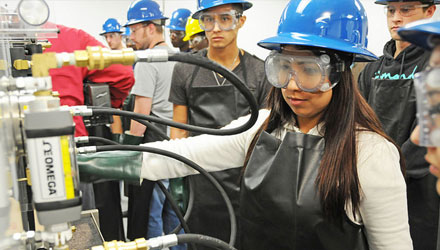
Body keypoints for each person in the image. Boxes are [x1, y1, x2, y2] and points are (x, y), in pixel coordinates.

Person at [168, 0, 271, 245]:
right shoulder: (185, 70)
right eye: (208, 19)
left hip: (246, 183)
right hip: (201, 181)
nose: (215, 28)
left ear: (240, 21)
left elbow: (267, 138)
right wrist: (176, 177)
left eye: (225, 19)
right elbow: (179, 130)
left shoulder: (259, 71)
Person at [357, 1, 438, 249]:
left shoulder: (432, 66)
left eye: (406, 10)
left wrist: (388, 172)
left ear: (430, 11)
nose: (396, 18)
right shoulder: (371, 69)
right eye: (391, 11)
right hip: (369, 181)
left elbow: (426, 136)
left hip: (419, 187)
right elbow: (356, 123)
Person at [45, 23, 134, 241]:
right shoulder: (69, 36)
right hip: (69, 147)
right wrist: (105, 106)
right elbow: (124, 75)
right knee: (79, 235)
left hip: (9, 155)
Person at [122, 0, 182, 246]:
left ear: (149, 27)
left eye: (134, 30)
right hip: (178, 144)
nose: (131, 36)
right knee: (174, 209)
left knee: (150, 210)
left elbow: (141, 115)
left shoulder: (147, 61)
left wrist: (126, 149)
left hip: (154, 145)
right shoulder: (180, 57)